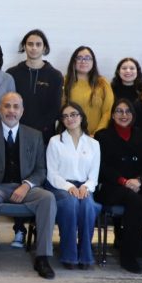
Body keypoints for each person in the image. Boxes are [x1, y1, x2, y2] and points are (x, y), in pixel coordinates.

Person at [0, 92, 57, 279]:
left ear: (22, 111)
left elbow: (41, 170)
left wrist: (26, 185)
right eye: (7, 106)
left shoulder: (34, 135)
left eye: (16, 106)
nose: (11, 110)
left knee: (48, 198)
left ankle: (43, 257)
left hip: (25, 188)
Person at [95, 99, 142, 274]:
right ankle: (129, 256)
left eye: (127, 111)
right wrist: (124, 181)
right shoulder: (102, 136)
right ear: (112, 115)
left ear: (133, 115)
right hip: (112, 186)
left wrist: (139, 180)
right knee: (134, 201)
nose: (123, 115)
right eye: (119, 111)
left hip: (139, 184)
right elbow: (102, 167)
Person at [46, 101, 101, 270]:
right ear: (62, 121)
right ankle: (69, 254)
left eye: (73, 114)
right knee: (70, 203)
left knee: (88, 205)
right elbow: (52, 174)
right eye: (65, 116)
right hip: (60, 186)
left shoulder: (94, 144)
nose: (70, 119)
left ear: (81, 117)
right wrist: (68, 187)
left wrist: (86, 187)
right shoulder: (55, 141)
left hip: (84, 186)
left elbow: (94, 175)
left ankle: (85, 255)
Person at [5, 29, 63, 143]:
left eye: (38, 44)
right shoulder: (12, 73)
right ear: (24, 47)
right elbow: (7, 105)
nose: (34, 48)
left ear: (44, 48)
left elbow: (55, 108)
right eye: (30, 44)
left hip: (44, 135)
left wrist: (41, 128)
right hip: (17, 132)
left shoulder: (55, 75)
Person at [62, 46, 113, 135]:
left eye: (88, 58)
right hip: (71, 135)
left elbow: (107, 112)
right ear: (73, 61)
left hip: (97, 137)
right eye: (79, 58)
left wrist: (97, 134)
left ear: (93, 62)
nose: (83, 61)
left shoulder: (103, 83)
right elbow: (62, 111)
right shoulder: (65, 82)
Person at [111, 57, 142, 136]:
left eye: (132, 68)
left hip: (139, 136)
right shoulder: (111, 90)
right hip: (113, 135)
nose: (128, 71)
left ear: (137, 71)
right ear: (118, 71)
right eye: (124, 68)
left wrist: (140, 137)